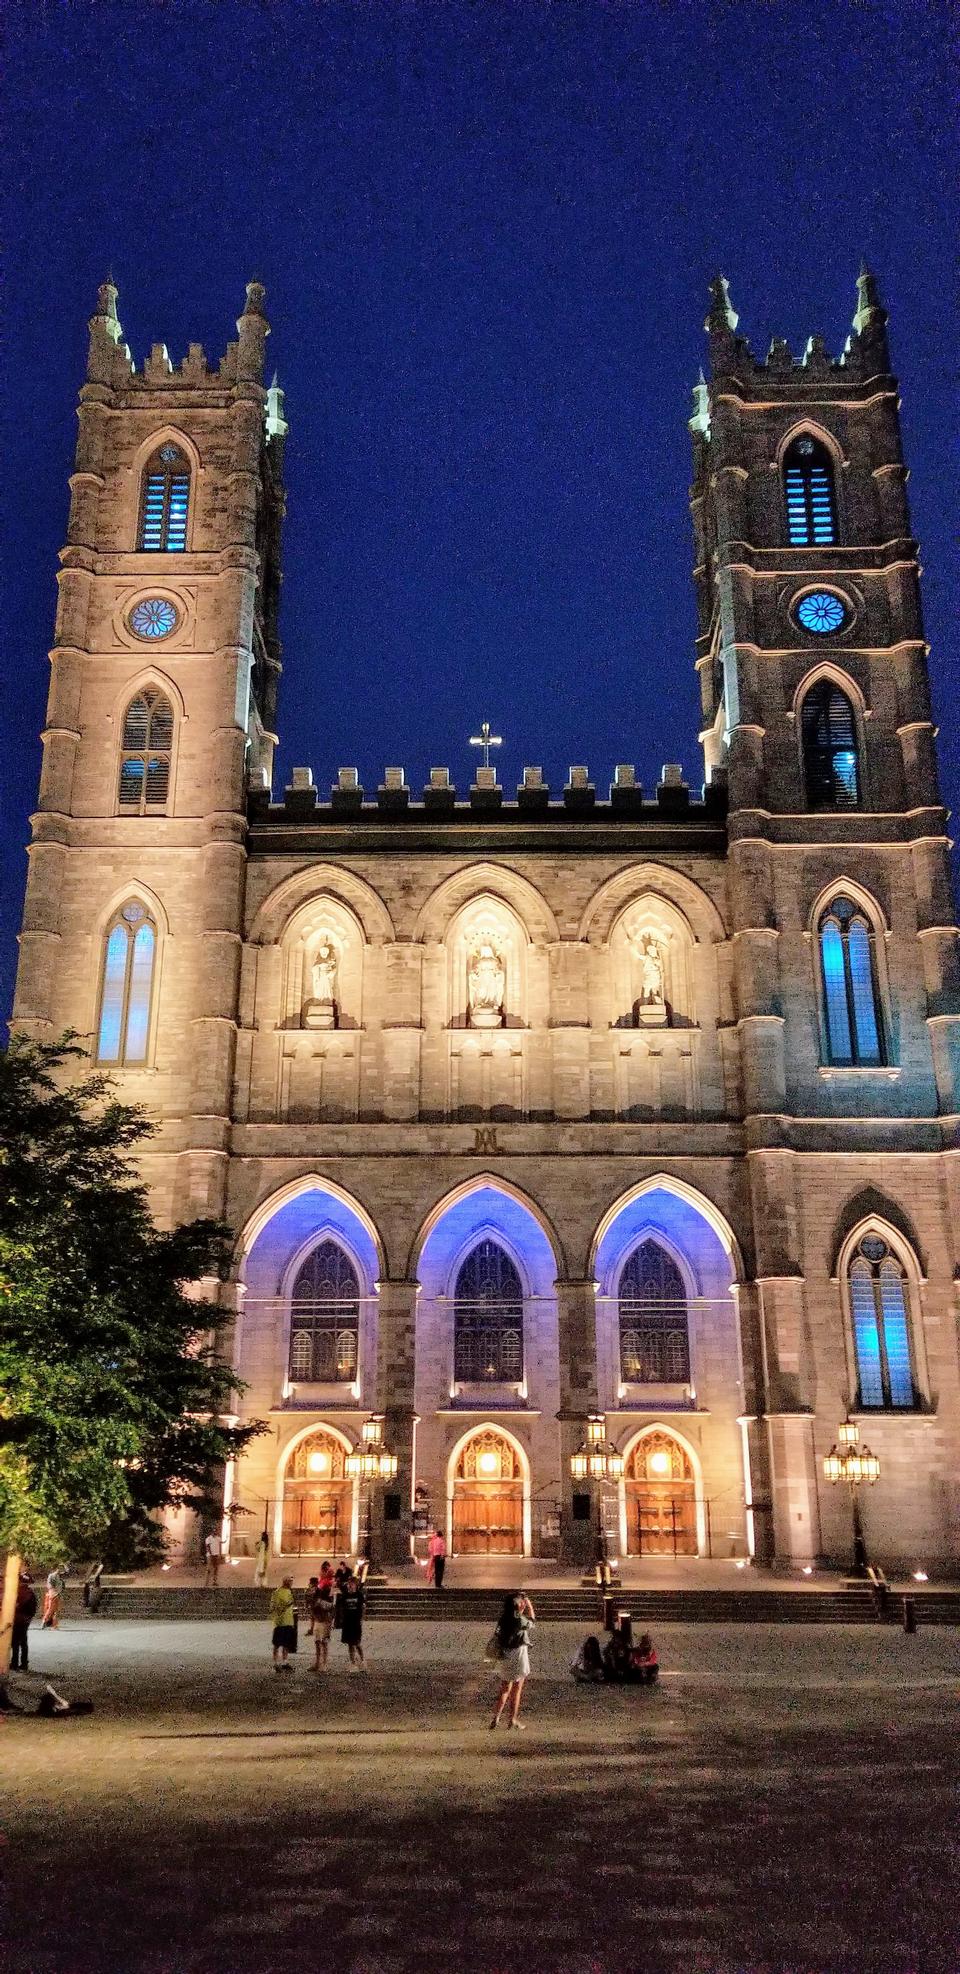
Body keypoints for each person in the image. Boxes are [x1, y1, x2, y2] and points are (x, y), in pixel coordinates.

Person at [489, 1591, 535, 1729]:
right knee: (517, 1689)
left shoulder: (504, 1618)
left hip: (505, 1655)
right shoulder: (519, 1620)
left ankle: (496, 1717)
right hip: (518, 1654)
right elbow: (532, 1621)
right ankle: (512, 1719)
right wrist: (529, 1606)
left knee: (504, 1688)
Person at [269, 1576, 297, 1672]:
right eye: (290, 1581)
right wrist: (285, 1605)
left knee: (286, 1644)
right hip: (280, 1622)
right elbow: (273, 1607)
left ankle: (285, 1662)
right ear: (285, 1582)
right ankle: (275, 1663)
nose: (291, 1583)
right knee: (277, 1644)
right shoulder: (277, 1592)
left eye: (292, 1581)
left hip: (289, 1621)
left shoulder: (289, 1592)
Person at [339, 1568, 365, 1667]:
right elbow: (341, 1607)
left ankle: (362, 1660)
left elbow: (362, 1608)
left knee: (357, 1643)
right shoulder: (345, 1595)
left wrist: (361, 1619)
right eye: (349, 1583)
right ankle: (352, 1662)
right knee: (350, 1643)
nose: (350, 1585)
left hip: (355, 1621)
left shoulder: (359, 1595)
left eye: (352, 1583)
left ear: (355, 1585)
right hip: (347, 1621)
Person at [12, 1573, 38, 1670]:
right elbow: (34, 1608)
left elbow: (16, 1605)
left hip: (18, 1619)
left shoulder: (19, 1592)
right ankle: (24, 1663)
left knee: (15, 1642)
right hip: (25, 1620)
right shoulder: (30, 1593)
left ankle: (14, 1663)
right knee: (23, 1641)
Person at [311, 1572, 335, 1670]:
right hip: (318, 1621)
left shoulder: (326, 1593)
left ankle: (324, 1664)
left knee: (324, 1643)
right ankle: (317, 1663)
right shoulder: (316, 1593)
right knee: (317, 1642)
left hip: (325, 1621)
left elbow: (331, 1607)